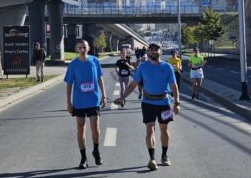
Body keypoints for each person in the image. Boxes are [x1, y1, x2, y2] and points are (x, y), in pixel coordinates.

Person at [114, 42, 180, 171]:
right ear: (148, 52)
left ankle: (165, 155)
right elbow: (133, 84)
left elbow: (174, 86)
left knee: (164, 130)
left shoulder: (167, 67)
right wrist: (122, 97)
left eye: (157, 50)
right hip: (148, 102)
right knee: (150, 129)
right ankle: (152, 158)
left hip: (164, 102)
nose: (154, 51)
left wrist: (177, 103)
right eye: (152, 50)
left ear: (161, 52)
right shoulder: (143, 67)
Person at [64, 39, 107, 169]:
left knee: (95, 127)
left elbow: (100, 78)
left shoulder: (95, 61)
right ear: (77, 49)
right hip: (79, 102)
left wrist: (104, 95)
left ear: (88, 48)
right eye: (80, 48)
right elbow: (69, 83)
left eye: (84, 47)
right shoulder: (73, 64)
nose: (83, 50)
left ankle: (96, 150)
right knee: (81, 128)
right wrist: (68, 103)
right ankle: (83, 158)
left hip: (93, 100)